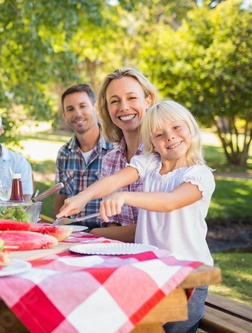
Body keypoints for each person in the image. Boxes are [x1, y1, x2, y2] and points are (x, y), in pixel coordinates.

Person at [57, 100, 215, 333]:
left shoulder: (199, 175)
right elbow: (113, 181)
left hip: (189, 276)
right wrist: (82, 197)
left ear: (190, 127)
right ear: (151, 142)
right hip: (151, 272)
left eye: (177, 128)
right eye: (159, 133)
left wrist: (125, 197)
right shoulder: (149, 163)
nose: (170, 137)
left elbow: (169, 202)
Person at [90, 67, 160, 242]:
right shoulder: (110, 160)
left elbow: (156, 228)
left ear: (148, 100)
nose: (124, 107)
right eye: (115, 101)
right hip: (122, 254)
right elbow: (110, 220)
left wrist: (92, 234)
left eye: (132, 98)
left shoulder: (163, 153)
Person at [53, 84, 114, 228]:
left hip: (107, 234)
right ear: (65, 115)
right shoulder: (64, 153)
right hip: (73, 233)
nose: (77, 113)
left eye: (82, 106)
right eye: (70, 109)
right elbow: (61, 197)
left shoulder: (116, 148)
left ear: (95, 107)